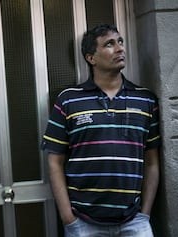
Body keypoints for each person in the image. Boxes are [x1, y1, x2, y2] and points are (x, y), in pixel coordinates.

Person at [42, 24, 160, 237]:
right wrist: (68, 218)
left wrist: (145, 214)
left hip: (135, 223)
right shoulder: (68, 100)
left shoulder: (145, 99)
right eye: (109, 44)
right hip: (83, 223)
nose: (120, 48)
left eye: (121, 42)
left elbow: (152, 161)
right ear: (91, 58)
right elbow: (54, 162)